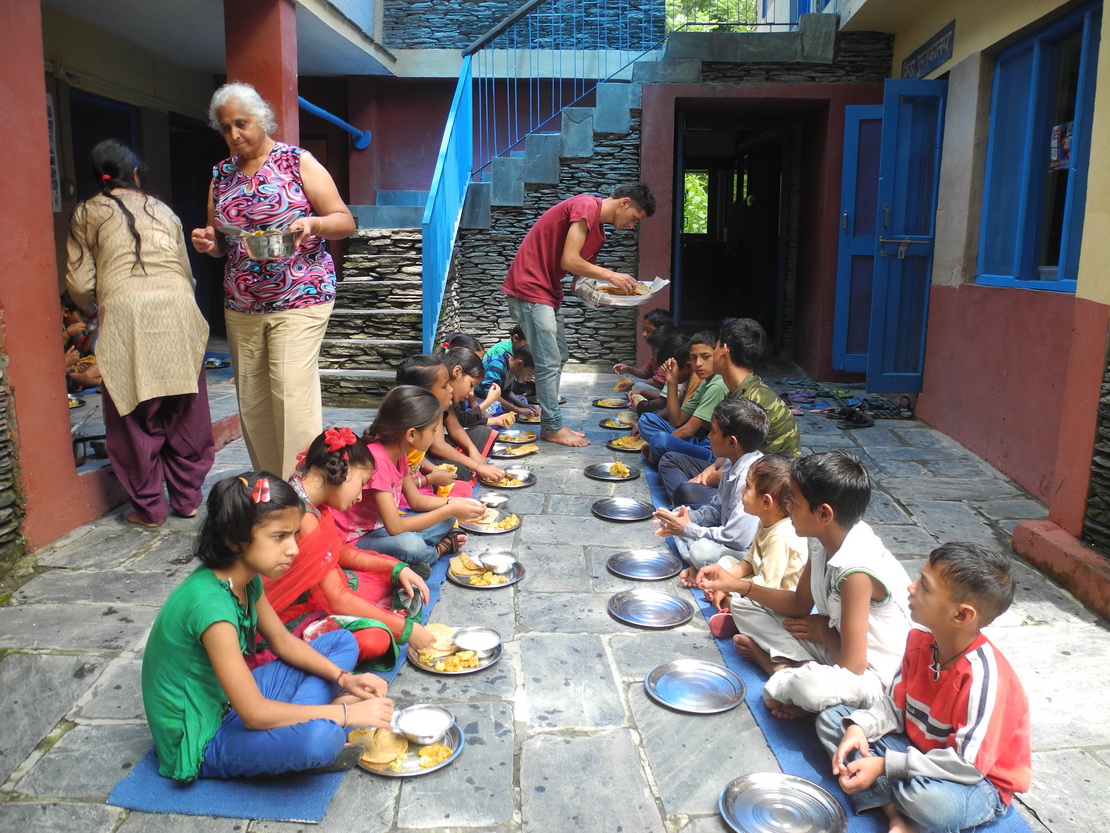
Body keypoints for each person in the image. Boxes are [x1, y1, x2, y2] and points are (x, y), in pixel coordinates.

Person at [141, 473, 393, 782]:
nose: (294, 549)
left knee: (342, 642)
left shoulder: (245, 580)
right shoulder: (211, 607)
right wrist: (345, 715)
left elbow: (284, 643)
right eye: (279, 537)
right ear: (235, 539)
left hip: (227, 701)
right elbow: (255, 714)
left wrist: (344, 678)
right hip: (201, 734)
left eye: (294, 535)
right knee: (319, 741)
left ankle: (312, 712)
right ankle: (319, 716)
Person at [190, 81, 355, 479]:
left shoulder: (297, 161)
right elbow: (222, 242)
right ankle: (271, 486)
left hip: (301, 295)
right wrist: (209, 243)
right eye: (225, 127)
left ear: (262, 119)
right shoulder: (221, 175)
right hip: (242, 302)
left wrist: (313, 223)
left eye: (241, 124)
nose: (234, 135)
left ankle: (304, 491)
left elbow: (344, 220)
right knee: (254, 400)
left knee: (290, 393)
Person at [816, 543, 1030, 833]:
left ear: (961, 616)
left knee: (930, 803)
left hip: (976, 782)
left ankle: (892, 801)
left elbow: (967, 765)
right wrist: (859, 728)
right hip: (919, 752)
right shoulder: (919, 642)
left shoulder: (985, 677)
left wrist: (884, 766)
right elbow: (894, 707)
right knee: (833, 720)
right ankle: (898, 816)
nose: (910, 587)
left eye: (925, 587)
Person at [696, 451, 911, 719]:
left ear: (824, 513)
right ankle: (795, 669)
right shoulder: (820, 538)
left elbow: (855, 665)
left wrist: (825, 634)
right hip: (833, 643)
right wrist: (737, 585)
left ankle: (779, 670)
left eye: (794, 503)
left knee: (807, 687)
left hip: (871, 673)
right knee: (742, 604)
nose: (788, 510)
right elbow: (798, 605)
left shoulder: (856, 570)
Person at [66, 139, 215, 527]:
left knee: (134, 414)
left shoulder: (86, 211)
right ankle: (187, 499)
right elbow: (186, 271)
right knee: (185, 410)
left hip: (127, 317)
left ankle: (150, 509)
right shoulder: (163, 209)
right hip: (180, 310)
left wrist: (90, 308)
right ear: (135, 173)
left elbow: (80, 284)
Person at [263, 427, 436, 667]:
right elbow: (338, 599)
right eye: (363, 482)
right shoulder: (303, 517)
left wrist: (395, 568)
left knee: (386, 581)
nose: (359, 496)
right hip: (280, 616)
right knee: (376, 638)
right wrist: (405, 630)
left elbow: (337, 550)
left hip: (315, 592)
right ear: (344, 470)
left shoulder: (310, 501)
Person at [502, 182, 656, 447]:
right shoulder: (586, 205)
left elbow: (579, 281)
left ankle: (551, 418)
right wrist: (611, 275)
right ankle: (552, 426)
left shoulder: (599, 235)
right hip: (528, 287)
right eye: (634, 219)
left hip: (547, 292)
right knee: (549, 360)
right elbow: (569, 261)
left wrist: (614, 297)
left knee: (558, 355)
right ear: (624, 202)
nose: (632, 226)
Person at [332, 386, 485, 570]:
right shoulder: (377, 460)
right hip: (355, 538)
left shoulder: (400, 452)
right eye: (433, 430)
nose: (435, 436)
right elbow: (395, 527)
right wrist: (449, 509)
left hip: (379, 527)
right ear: (411, 434)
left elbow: (416, 500)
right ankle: (438, 550)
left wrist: (454, 502)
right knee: (412, 545)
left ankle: (413, 556)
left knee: (446, 520)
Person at [660, 318, 801, 507]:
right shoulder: (735, 390)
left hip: (765, 489)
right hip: (736, 470)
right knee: (670, 460)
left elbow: (754, 472)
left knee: (686, 492)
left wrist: (713, 478)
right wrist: (711, 469)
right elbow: (731, 453)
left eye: (715, 347)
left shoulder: (755, 401)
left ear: (724, 350)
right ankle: (694, 504)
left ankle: (698, 508)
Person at [682, 456, 807, 637]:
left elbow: (767, 585)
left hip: (777, 596)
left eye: (747, 486)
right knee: (724, 563)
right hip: (759, 580)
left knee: (745, 605)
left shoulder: (781, 536)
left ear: (766, 502)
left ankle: (731, 611)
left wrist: (728, 587)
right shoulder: (765, 521)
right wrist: (723, 579)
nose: (741, 491)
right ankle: (727, 605)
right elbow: (749, 561)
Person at [654, 398, 768, 566]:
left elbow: (737, 539)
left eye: (713, 432)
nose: (708, 436)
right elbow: (716, 510)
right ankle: (687, 534)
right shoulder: (732, 462)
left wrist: (688, 529)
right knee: (679, 513)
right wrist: (689, 518)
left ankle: (697, 550)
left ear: (731, 442)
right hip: (729, 534)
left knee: (701, 552)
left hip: (750, 550)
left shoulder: (751, 479)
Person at [396, 354, 505, 484]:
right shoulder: (416, 415)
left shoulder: (442, 402)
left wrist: (473, 452)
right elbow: (436, 447)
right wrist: (476, 466)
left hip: (421, 462)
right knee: (461, 472)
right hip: (422, 462)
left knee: (482, 432)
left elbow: (455, 427)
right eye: (444, 386)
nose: (450, 389)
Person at [637, 330, 727, 473]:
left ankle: (667, 455)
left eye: (706, 357)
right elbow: (677, 421)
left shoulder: (717, 386)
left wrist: (654, 446)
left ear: (718, 355)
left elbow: (689, 430)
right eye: (693, 358)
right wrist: (671, 382)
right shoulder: (705, 382)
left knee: (661, 441)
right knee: (647, 419)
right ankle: (667, 453)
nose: (698, 364)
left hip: (712, 450)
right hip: (698, 440)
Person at [613, 308, 674, 392]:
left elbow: (659, 383)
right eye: (643, 330)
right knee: (629, 381)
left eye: (648, 330)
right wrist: (629, 369)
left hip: (667, 390)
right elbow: (646, 372)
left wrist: (633, 384)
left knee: (637, 386)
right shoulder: (655, 348)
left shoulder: (668, 350)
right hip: (656, 384)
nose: (644, 334)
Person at [477, 344, 538, 418]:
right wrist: (517, 409)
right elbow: (490, 394)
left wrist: (523, 406)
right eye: (530, 374)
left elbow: (506, 391)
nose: (531, 378)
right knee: (493, 410)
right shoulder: (497, 363)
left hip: (494, 397)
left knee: (522, 399)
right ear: (520, 363)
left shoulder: (512, 368)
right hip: (479, 397)